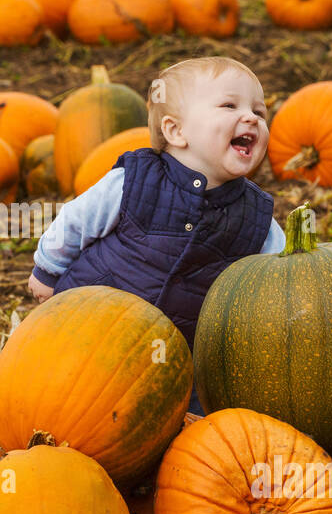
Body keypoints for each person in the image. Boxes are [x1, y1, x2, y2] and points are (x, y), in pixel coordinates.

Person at [26, 56, 285, 415]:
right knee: (69, 397)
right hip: (94, 327)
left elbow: (282, 281)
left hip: (183, 353)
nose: (252, 118)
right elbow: (75, 221)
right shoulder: (135, 180)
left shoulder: (256, 217)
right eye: (230, 105)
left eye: (259, 111)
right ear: (176, 131)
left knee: (179, 417)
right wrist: (47, 271)